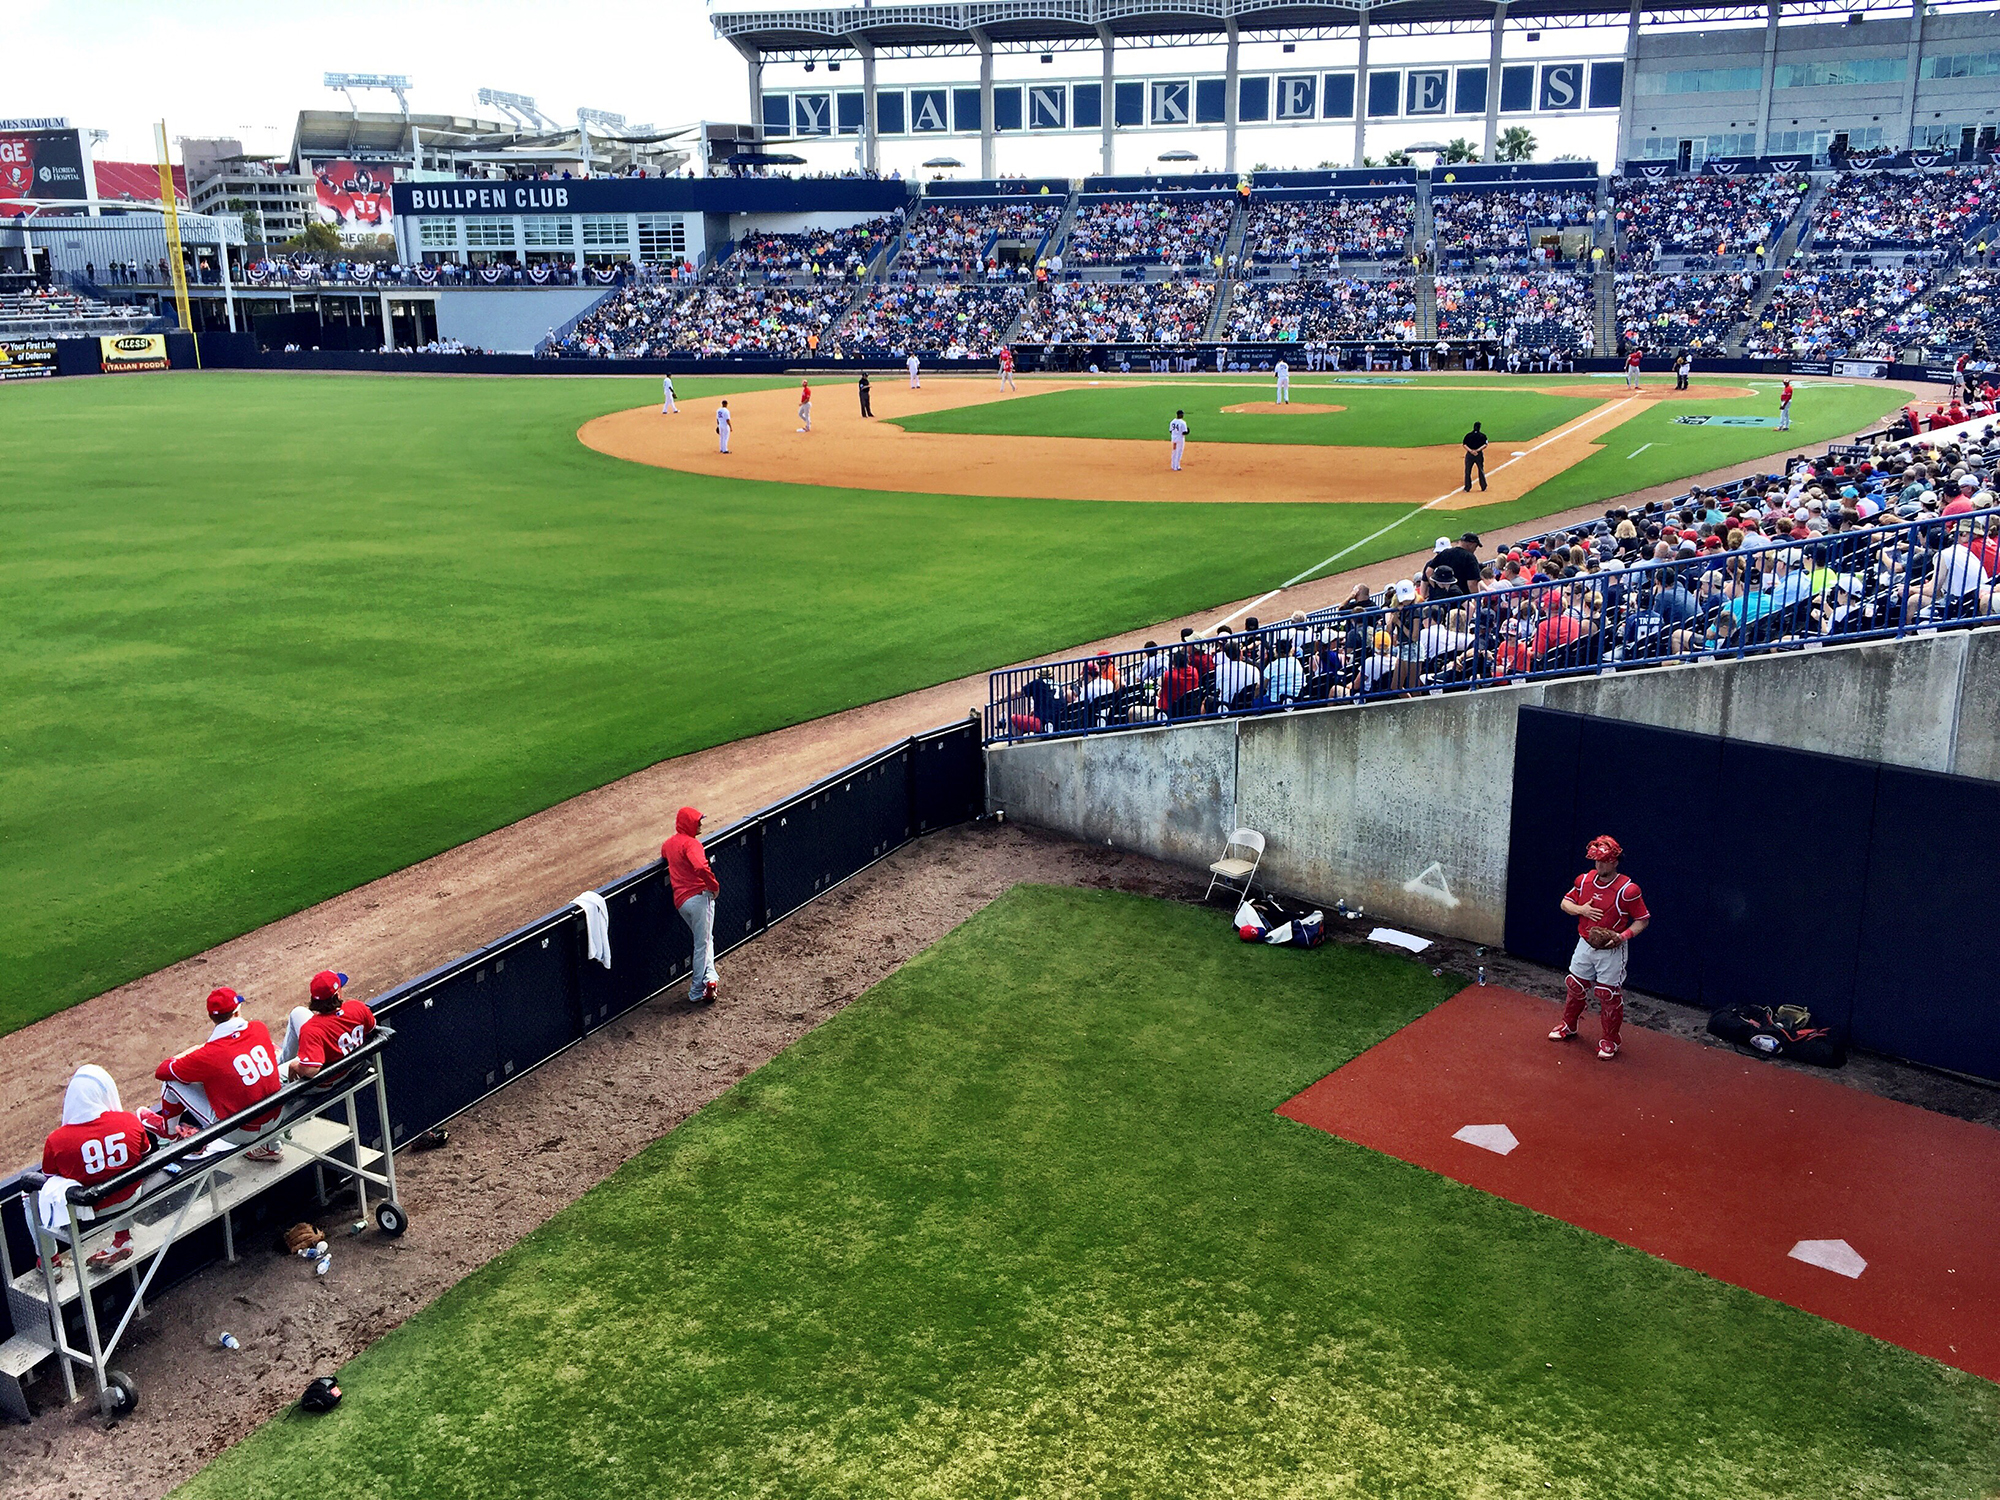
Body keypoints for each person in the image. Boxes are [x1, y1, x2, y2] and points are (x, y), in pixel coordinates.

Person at [1549, 835, 1650, 1060]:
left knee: (1608, 995)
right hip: (1585, 943)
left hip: (1612, 951)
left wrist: (1623, 936)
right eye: (1596, 861)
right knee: (1575, 985)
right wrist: (1581, 910)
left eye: (1603, 861)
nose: (1599, 865)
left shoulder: (1628, 890)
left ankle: (1610, 1039)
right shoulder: (1584, 881)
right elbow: (1565, 903)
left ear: (1615, 861)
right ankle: (1569, 1025)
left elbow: (1642, 919)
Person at [42, 1065, 152, 1270]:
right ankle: (122, 1237)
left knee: (28, 1194)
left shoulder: (57, 1140)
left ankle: (49, 1260)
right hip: (131, 1195)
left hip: (88, 1211)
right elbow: (146, 1153)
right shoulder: (129, 1121)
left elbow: (49, 1178)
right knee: (123, 1170)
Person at [153, 988, 285, 1156]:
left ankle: (172, 1136)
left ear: (211, 1018)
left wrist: (191, 1052)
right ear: (237, 1012)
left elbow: (162, 1071)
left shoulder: (207, 1055)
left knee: (171, 1083)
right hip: (277, 1116)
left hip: (239, 1133)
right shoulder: (259, 1028)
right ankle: (270, 1147)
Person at [663, 807, 720, 1004]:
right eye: (697, 821)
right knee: (702, 944)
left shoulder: (670, 844)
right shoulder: (691, 844)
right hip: (698, 898)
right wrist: (714, 886)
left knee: (705, 939)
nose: (701, 824)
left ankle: (710, 979)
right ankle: (697, 991)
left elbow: (665, 854)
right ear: (689, 823)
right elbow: (700, 866)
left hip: (681, 903)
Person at [281, 971, 377, 1082]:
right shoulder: (357, 1007)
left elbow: (310, 1071)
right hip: (355, 1066)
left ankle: (277, 1065)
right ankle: (281, 1060)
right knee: (297, 1013)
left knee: (274, 1077)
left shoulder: (311, 1029)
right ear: (337, 995)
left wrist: (296, 1066)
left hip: (327, 1082)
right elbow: (371, 1028)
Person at [1462, 421, 1489, 493]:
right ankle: (1483, 487)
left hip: (1469, 455)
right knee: (1481, 470)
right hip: (1478, 454)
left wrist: (1471, 451)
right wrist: (1477, 450)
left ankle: (1467, 488)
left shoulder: (1468, 435)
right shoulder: (1482, 436)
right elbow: (1485, 445)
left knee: (1468, 471)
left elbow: (1464, 444)